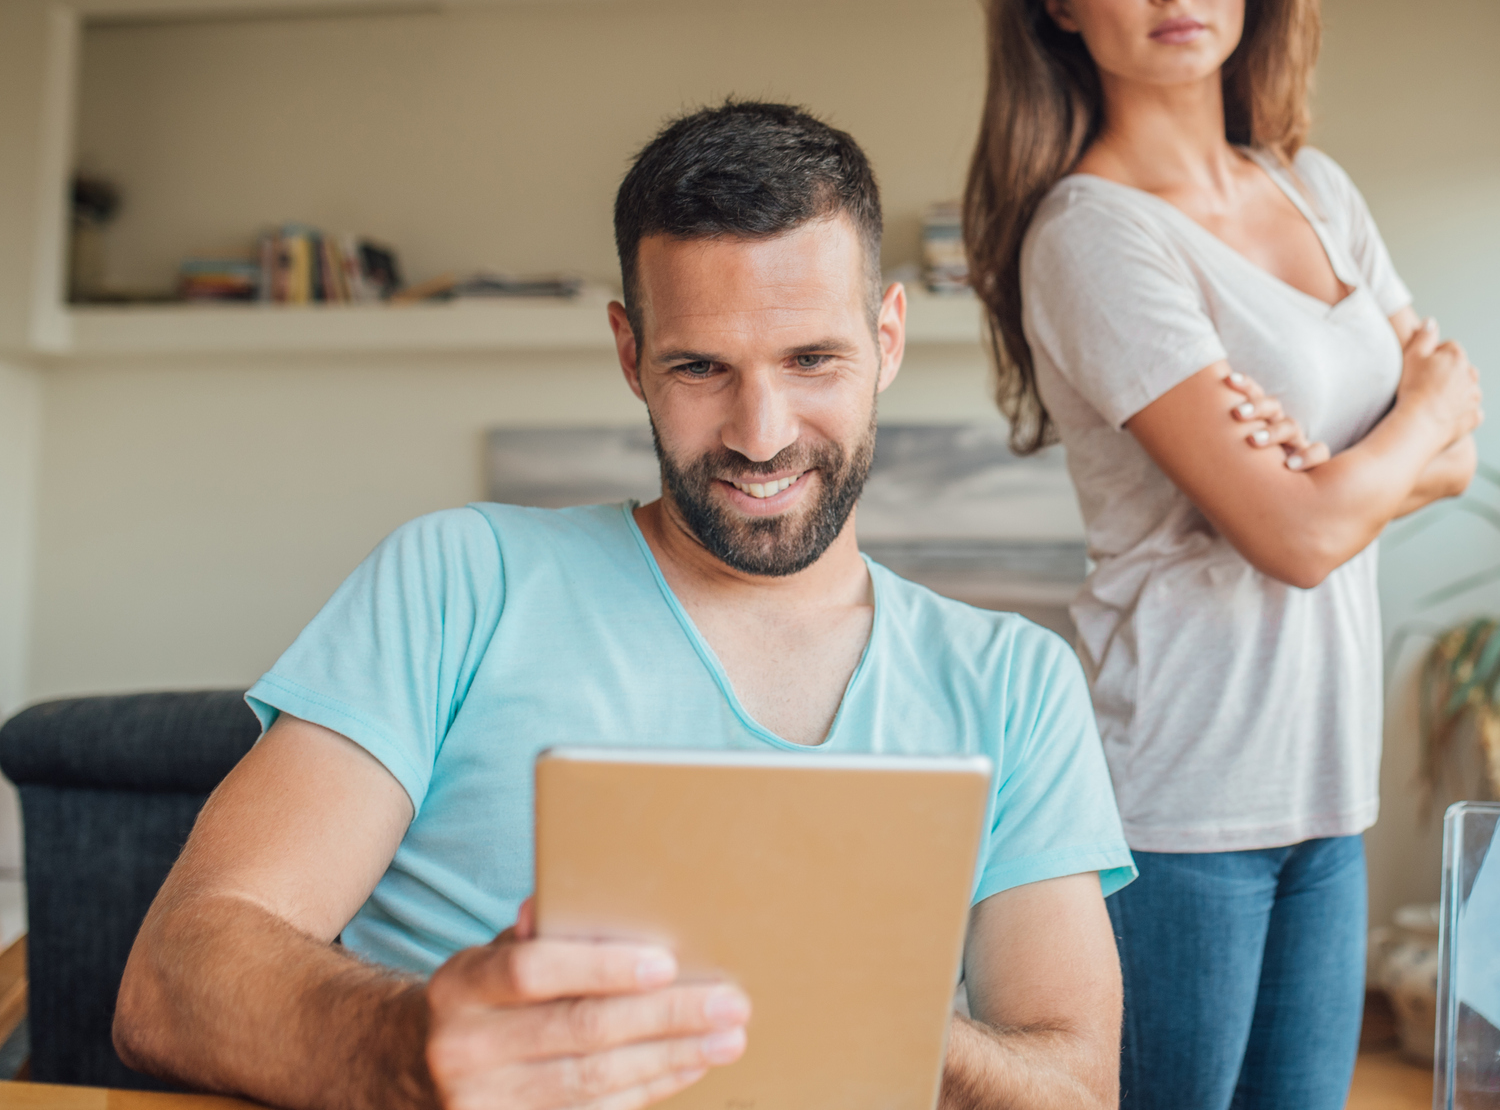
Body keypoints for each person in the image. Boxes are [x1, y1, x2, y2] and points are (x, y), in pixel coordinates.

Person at [115, 100, 1135, 1110]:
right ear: (628, 352)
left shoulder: (1015, 681)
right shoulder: (457, 579)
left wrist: (866, 1008)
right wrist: (409, 1047)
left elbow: (1075, 1090)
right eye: (701, 366)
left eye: (811, 359)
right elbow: (171, 979)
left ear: (888, 336)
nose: (761, 432)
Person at [963, 0, 1485, 1110]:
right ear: (1055, 3)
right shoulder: (1089, 232)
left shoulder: (1313, 186)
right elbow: (1298, 537)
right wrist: (1375, 446)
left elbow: (1457, 434)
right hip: (1178, 798)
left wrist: (1351, 460)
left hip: (1324, 786)